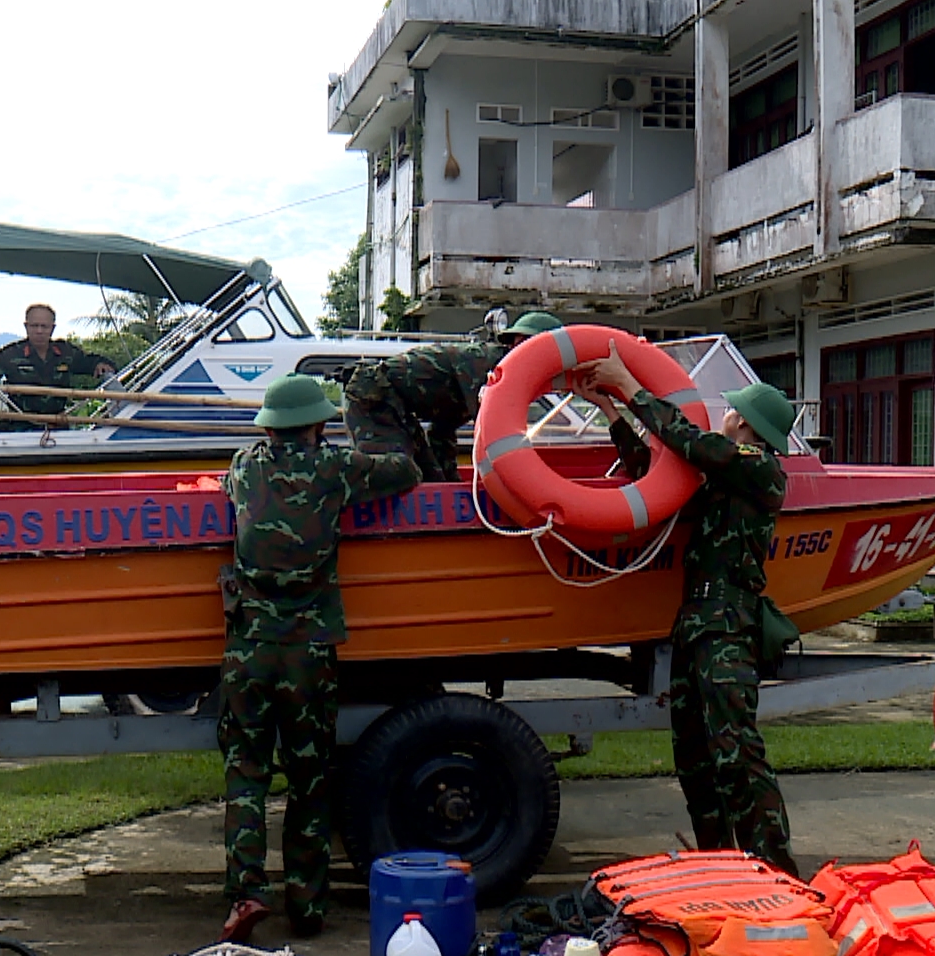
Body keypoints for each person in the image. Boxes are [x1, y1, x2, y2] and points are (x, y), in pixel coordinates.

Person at [573, 353, 798, 877]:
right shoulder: (725, 476)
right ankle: (721, 864)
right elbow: (653, 474)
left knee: (736, 755)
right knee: (696, 759)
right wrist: (611, 410)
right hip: (697, 628)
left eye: (729, 411)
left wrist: (631, 385)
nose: (722, 415)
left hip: (725, 629)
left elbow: (688, 442)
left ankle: (777, 871)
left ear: (744, 424)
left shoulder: (760, 471)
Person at [215, 375, 420, 942]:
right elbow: (405, 473)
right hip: (307, 651)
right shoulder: (334, 469)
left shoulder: (243, 467)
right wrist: (374, 428)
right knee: (309, 781)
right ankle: (306, 907)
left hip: (248, 650)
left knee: (246, 776)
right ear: (318, 423)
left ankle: (246, 895)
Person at [342, 310, 563, 481]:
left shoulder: (495, 380)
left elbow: (442, 431)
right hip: (372, 394)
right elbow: (489, 430)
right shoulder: (487, 365)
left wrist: (450, 480)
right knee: (397, 473)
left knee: (430, 478)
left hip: (397, 405)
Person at [0, 303, 117, 431]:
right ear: (26, 327)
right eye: (34, 326)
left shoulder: (66, 352)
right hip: (19, 426)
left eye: (44, 326)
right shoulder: (10, 354)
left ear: (52, 328)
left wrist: (101, 365)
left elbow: (91, 362)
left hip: (57, 426)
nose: (39, 331)